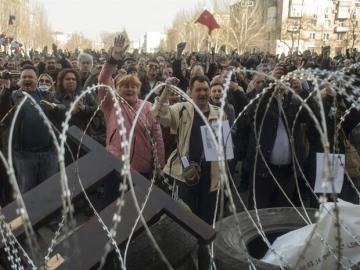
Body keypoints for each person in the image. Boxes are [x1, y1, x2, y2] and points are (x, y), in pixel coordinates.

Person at [152, 74, 223, 270]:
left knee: (206, 225)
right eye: (198, 90)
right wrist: (166, 90)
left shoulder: (218, 114)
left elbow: (223, 151)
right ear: (190, 92)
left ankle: (205, 263)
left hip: (210, 180)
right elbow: (156, 114)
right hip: (185, 178)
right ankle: (185, 262)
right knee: (185, 224)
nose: (202, 93)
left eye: (205, 89)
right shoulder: (182, 110)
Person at [98, 35, 165, 186]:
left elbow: (157, 137)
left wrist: (159, 164)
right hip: (115, 165)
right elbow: (103, 80)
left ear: (139, 89)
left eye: (133, 86)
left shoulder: (147, 106)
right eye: (124, 86)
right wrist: (114, 58)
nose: (129, 89)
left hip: (142, 169)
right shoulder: (111, 104)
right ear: (117, 89)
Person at [0, 65, 60, 192]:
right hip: (24, 155)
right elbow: (3, 108)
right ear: (20, 80)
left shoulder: (45, 95)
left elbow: (62, 107)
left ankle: (48, 212)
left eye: (30, 77)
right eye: (24, 77)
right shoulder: (14, 96)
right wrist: (6, 88)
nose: (27, 79)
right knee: (27, 191)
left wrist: (54, 106)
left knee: (49, 191)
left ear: (36, 79)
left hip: (48, 153)